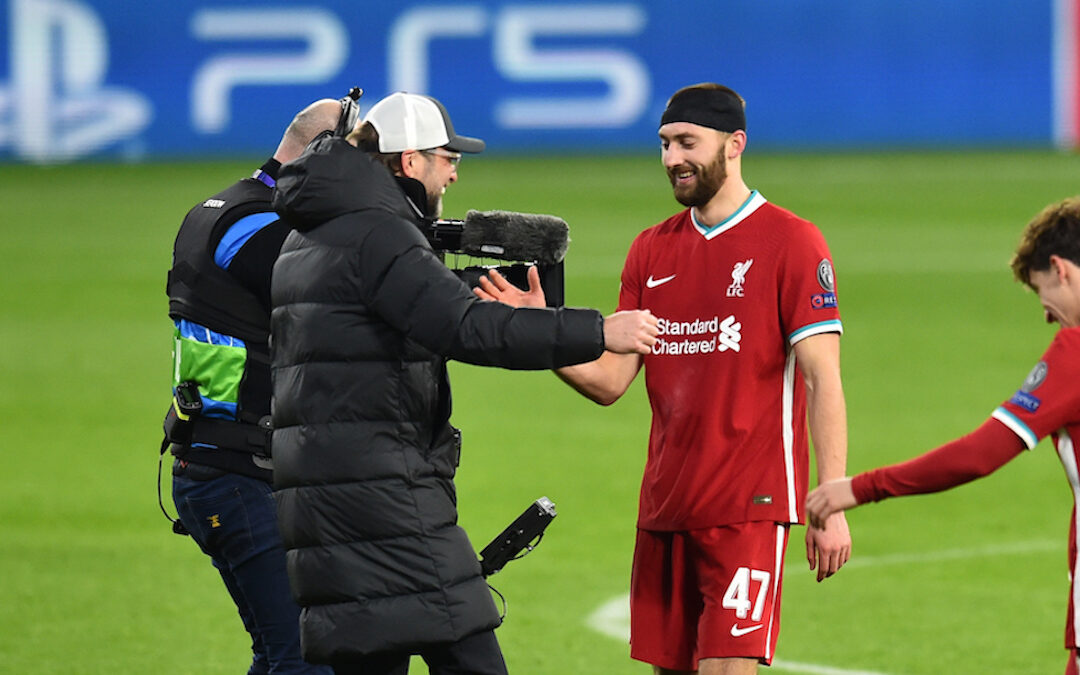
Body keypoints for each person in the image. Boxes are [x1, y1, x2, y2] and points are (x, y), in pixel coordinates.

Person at [267, 91, 660, 675]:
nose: (453, 172)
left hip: (326, 504)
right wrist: (597, 331)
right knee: (471, 655)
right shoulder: (380, 233)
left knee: (372, 659)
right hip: (386, 497)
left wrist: (487, 290)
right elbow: (466, 329)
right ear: (409, 162)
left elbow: (393, 314)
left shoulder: (310, 236)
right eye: (446, 157)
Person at [475, 82, 852, 675]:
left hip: (746, 508)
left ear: (735, 146)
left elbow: (821, 379)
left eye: (686, 142)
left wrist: (831, 502)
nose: (672, 158)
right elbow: (609, 382)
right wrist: (535, 330)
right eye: (664, 144)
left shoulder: (791, 242)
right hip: (665, 508)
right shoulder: (651, 251)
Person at [806, 196, 1080, 675]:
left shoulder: (1075, 353)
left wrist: (859, 487)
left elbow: (980, 453)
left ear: (1061, 269)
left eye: (1042, 293)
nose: (1047, 315)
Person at [165, 99, 343, 675]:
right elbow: (344, 300)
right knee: (304, 658)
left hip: (223, 463)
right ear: (323, 154)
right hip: (238, 472)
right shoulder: (259, 226)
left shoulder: (233, 208)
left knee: (281, 654)